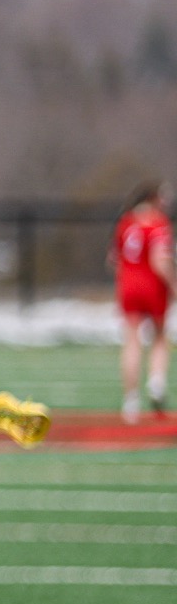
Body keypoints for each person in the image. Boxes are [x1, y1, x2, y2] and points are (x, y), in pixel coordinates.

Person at [110, 179, 172, 424]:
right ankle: (156, 382)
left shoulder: (126, 222)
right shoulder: (157, 223)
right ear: (153, 198)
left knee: (132, 341)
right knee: (158, 338)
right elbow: (160, 260)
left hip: (128, 285)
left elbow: (114, 258)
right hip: (152, 286)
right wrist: (174, 284)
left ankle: (131, 401)